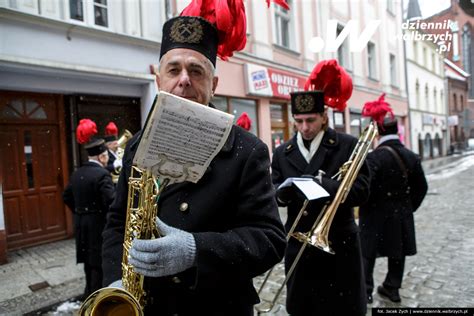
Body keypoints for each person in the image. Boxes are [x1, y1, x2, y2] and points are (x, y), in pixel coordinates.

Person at [101, 1, 288, 315]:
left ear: (213, 85)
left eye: (196, 70)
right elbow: (116, 223)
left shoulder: (247, 150)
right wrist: (117, 281)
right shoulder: (136, 146)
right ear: (159, 80)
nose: (184, 79)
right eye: (173, 69)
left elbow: (269, 240)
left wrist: (195, 250)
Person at [271, 59, 370, 316]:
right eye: (299, 120)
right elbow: (272, 191)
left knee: (342, 308)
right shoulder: (282, 152)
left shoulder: (347, 145)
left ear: (324, 117)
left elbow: (362, 191)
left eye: (311, 120)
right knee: (304, 308)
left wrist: (325, 184)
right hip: (299, 244)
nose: (305, 128)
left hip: (340, 242)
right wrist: (281, 194)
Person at [359, 95, 428, 304]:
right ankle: (392, 288)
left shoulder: (373, 157)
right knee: (397, 252)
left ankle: (366, 290)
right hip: (401, 212)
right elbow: (422, 187)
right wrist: (408, 207)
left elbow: (365, 189)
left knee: (367, 253)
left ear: (378, 131)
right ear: (396, 129)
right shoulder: (410, 155)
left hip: (374, 213)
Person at [63, 118, 115, 300]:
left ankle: (88, 296)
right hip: (98, 226)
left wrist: (80, 212)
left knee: (88, 264)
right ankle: (97, 301)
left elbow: (66, 196)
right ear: (101, 157)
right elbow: (112, 202)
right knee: (99, 266)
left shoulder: (77, 173)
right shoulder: (102, 174)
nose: (108, 158)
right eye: (107, 156)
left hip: (81, 225)